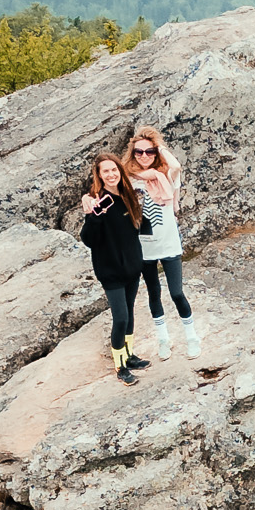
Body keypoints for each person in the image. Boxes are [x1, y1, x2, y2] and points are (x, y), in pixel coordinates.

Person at [122, 124, 201, 358]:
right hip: (144, 246)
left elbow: (176, 165)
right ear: (132, 153)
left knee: (177, 292)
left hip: (168, 243)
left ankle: (191, 337)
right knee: (153, 294)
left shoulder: (166, 175)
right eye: (139, 152)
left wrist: (158, 145)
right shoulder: (128, 179)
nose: (144, 156)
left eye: (150, 151)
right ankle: (163, 339)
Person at [78, 153, 149, 384]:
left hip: (131, 268)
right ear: (99, 175)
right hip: (110, 271)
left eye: (114, 170)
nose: (111, 174)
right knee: (120, 318)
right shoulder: (96, 200)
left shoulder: (128, 195)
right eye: (105, 171)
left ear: (120, 171)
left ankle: (129, 355)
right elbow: (89, 239)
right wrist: (94, 216)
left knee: (129, 315)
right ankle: (120, 366)